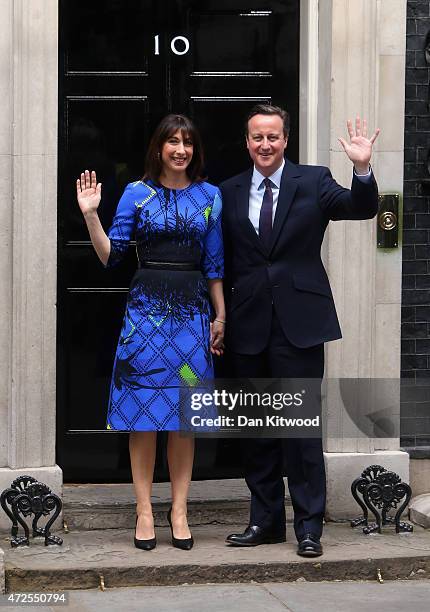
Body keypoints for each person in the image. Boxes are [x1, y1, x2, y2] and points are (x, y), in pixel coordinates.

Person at [220, 104, 379, 557]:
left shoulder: (313, 180)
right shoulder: (228, 191)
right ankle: (265, 521)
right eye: (257, 138)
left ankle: (308, 527)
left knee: (300, 429)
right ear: (247, 141)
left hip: (300, 325)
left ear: (286, 139)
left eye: (272, 136)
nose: (265, 145)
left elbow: (359, 208)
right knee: (256, 430)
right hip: (249, 324)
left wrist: (362, 168)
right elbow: (223, 257)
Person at [76, 114, 225, 551]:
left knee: (183, 417)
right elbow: (111, 256)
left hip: (193, 318)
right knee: (143, 416)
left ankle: (179, 509)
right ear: (158, 148)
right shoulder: (136, 194)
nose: (181, 150)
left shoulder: (210, 196)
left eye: (188, 143)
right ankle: (143, 509)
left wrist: (220, 316)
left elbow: (215, 265)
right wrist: (90, 216)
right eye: (173, 142)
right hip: (145, 319)